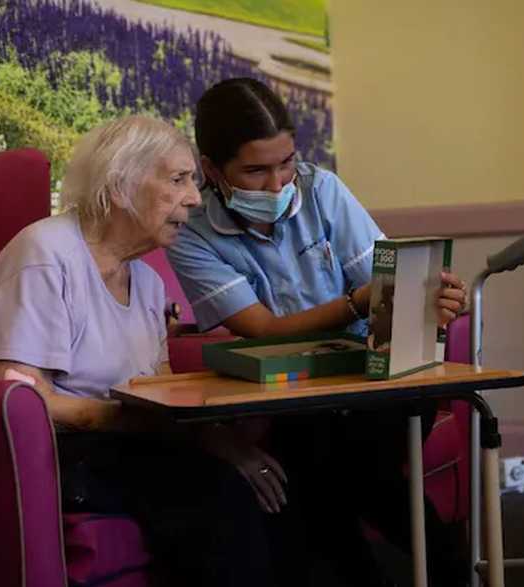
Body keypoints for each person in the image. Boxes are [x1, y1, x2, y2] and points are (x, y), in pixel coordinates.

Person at [0, 115, 308, 587]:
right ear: (120, 183)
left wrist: (225, 445)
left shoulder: (144, 280)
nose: (192, 197)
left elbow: (157, 392)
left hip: (121, 444)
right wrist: (128, 421)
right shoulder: (46, 253)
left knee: (272, 490)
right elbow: (19, 395)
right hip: (52, 455)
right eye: (178, 179)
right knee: (217, 498)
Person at [167, 78, 469, 587]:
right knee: (334, 466)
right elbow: (264, 332)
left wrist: (430, 303)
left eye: (286, 162)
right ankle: (451, 572)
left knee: (330, 465)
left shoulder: (322, 189)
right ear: (212, 169)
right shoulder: (190, 234)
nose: (278, 183)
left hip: (372, 382)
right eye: (256, 170)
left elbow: (387, 288)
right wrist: (358, 301)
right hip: (290, 395)